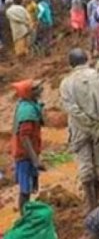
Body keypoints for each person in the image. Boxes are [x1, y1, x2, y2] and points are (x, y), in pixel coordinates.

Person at [60, 50, 99, 211]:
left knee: (85, 166)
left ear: (70, 64)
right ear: (88, 59)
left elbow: (71, 108)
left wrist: (87, 122)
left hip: (80, 129)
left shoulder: (66, 83)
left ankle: (91, 204)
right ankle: (96, 198)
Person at [11, 79, 44, 213]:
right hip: (24, 155)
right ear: (29, 93)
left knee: (29, 187)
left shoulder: (29, 105)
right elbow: (24, 137)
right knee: (25, 189)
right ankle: (23, 216)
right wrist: (35, 159)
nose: (41, 89)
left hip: (27, 154)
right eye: (36, 88)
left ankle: (25, 213)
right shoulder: (27, 111)